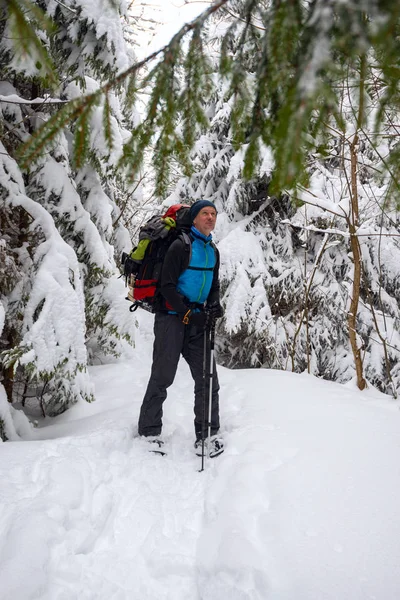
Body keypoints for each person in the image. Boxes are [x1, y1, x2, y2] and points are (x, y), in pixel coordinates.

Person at [138, 200, 224, 457]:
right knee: (163, 376)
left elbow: (215, 283)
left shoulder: (213, 250)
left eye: (213, 214)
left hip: (198, 321)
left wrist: (215, 305)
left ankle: (207, 435)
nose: (210, 218)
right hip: (171, 319)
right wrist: (187, 312)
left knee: (208, 378)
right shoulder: (181, 245)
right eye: (204, 214)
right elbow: (166, 285)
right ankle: (149, 433)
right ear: (195, 218)